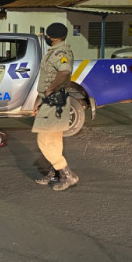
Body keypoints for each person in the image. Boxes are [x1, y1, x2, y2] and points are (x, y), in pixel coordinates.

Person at [32, 23, 79, 191]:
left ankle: (68, 175)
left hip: (55, 101)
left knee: (45, 141)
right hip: (50, 100)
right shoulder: (54, 51)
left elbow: (64, 71)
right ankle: (55, 174)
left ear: (53, 36)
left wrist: (51, 89)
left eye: (47, 34)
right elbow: (47, 77)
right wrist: (39, 99)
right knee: (54, 142)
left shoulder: (61, 52)